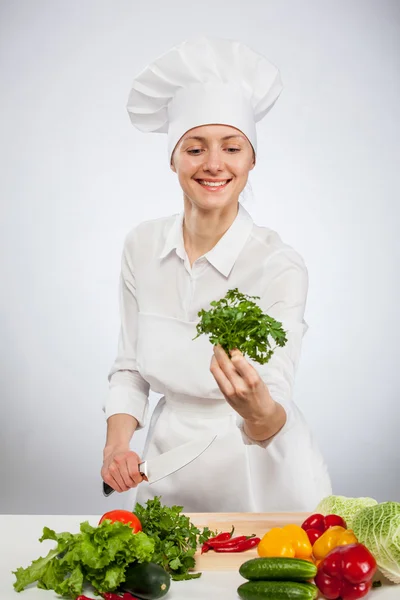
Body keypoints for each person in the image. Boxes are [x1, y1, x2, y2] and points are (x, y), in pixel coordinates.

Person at [101, 36, 332, 512]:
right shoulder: (141, 247)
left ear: (251, 160)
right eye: (194, 148)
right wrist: (116, 446)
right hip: (167, 471)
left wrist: (258, 411)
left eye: (231, 148)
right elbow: (129, 369)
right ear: (173, 158)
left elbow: (275, 400)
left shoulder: (278, 264)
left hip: (262, 478)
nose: (213, 164)